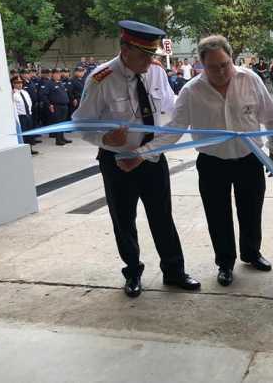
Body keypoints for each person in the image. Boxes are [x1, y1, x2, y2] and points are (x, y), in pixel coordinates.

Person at [118, 35, 273, 288]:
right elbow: (174, 130)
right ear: (201, 65)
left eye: (225, 64)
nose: (221, 71)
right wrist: (143, 153)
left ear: (232, 58)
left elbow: (270, 117)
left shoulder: (250, 79)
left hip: (249, 159)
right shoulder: (191, 91)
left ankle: (251, 253)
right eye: (213, 67)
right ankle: (225, 263)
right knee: (217, 215)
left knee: (251, 210)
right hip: (212, 163)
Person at [72, 20, 200, 298]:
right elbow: (81, 123)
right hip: (118, 162)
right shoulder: (101, 79)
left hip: (151, 158)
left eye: (152, 54)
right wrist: (106, 139)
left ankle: (174, 271)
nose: (150, 60)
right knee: (124, 220)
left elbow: (171, 107)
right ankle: (132, 272)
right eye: (144, 55)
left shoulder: (156, 72)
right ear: (125, 49)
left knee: (162, 216)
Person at [11, 76, 38, 155]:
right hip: (21, 116)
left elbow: (29, 102)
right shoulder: (13, 94)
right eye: (17, 83)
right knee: (23, 134)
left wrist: (29, 113)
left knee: (29, 133)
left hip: (28, 115)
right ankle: (24, 151)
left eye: (21, 82)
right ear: (13, 84)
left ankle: (30, 149)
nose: (20, 84)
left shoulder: (25, 92)